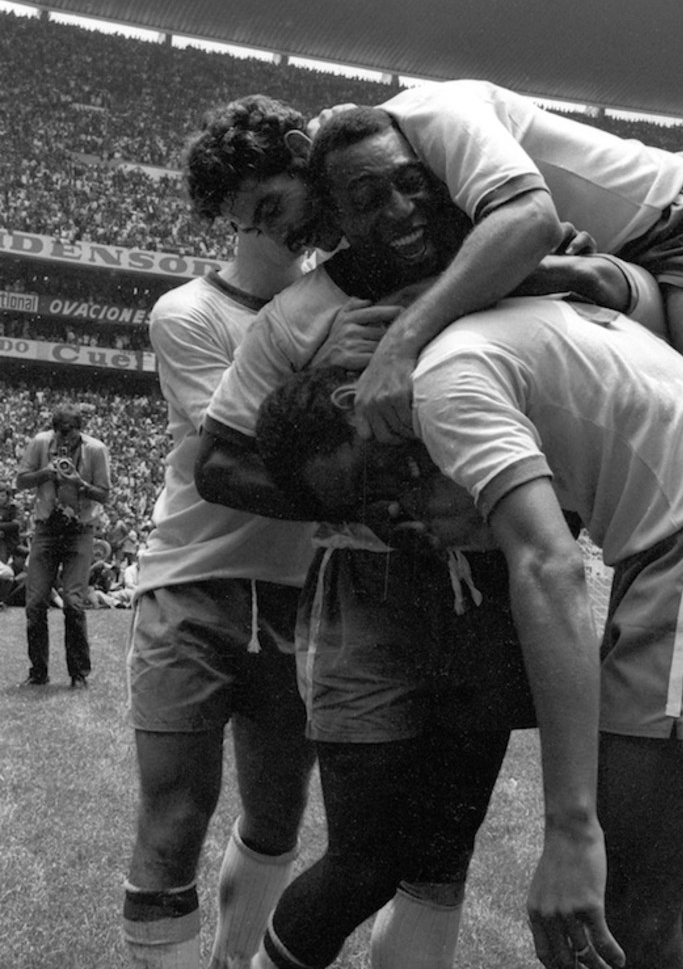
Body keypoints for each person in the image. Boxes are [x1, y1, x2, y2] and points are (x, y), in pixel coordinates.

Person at [197, 132, 683, 969]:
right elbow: (218, 461)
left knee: (616, 899)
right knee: (658, 869)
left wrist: (566, 830)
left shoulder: (455, 348)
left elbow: (547, 563)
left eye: (391, 480)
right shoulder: (414, 316)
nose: (400, 508)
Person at [123, 93, 444, 969]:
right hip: (195, 577)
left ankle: (233, 961)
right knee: (174, 817)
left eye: (275, 202)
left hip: (303, 589)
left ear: (307, 168)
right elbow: (240, 458)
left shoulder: (349, 284)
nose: (274, 227)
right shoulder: (188, 312)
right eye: (250, 217)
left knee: (276, 819)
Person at [306, 86, 683, 494]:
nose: (396, 207)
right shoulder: (383, 176)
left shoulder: (442, 113)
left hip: (679, 223)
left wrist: (399, 342)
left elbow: (533, 221)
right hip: (609, 269)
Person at [16, 405, 111, 687]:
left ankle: (78, 673)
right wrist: (46, 472)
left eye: (70, 434)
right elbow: (21, 481)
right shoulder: (40, 443)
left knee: (73, 602)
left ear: (80, 430)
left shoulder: (96, 450)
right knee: (35, 603)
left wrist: (80, 483)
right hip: (46, 528)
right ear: (53, 430)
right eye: (60, 434)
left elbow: (104, 494)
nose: (65, 440)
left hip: (79, 531)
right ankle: (38, 671)